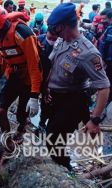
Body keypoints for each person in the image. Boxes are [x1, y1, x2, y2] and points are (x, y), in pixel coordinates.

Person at [46, 3, 110, 171]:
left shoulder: (88, 53)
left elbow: (104, 87)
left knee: (53, 136)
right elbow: (53, 65)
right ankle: (59, 165)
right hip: (55, 97)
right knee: (53, 135)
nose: (54, 33)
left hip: (73, 100)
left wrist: (94, 119)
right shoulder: (62, 40)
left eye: (56, 29)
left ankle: (65, 170)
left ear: (65, 26)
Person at [0, 5, 42, 141]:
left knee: (21, 114)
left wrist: (34, 96)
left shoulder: (22, 33)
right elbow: (2, 61)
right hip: (13, 75)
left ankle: (21, 128)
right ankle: (7, 140)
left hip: (29, 78)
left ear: (1, 26)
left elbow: (35, 66)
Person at [36, 30, 57, 131]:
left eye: (55, 37)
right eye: (51, 36)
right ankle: (24, 120)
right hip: (36, 75)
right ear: (47, 31)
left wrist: (47, 84)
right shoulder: (39, 39)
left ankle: (42, 122)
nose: (52, 39)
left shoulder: (61, 44)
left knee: (47, 102)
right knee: (31, 98)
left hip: (51, 78)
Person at [99, 11, 112, 103]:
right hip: (108, 62)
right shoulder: (109, 29)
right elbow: (103, 44)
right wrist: (102, 59)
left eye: (104, 19)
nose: (102, 21)